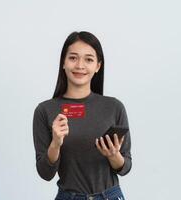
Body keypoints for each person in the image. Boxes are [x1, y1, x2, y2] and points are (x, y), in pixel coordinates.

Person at [32, 31, 132, 200]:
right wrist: (55, 144)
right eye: (73, 58)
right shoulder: (45, 111)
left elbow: (125, 167)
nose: (80, 65)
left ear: (98, 66)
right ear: (63, 62)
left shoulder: (114, 107)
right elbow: (45, 173)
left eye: (89, 59)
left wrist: (113, 155)